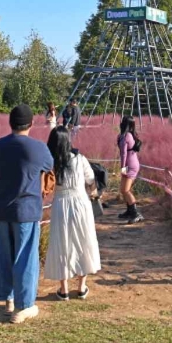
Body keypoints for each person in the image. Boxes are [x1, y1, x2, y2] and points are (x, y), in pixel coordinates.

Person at [0, 104, 54, 324]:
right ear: (31, 123)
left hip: (0, 208)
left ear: (10, 122)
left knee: (3, 256)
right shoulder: (38, 148)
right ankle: (24, 305)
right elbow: (49, 165)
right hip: (26, 209)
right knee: (25, 258)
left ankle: (7, 299)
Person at [44, 126, 101, 300]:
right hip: (81, 202)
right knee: (84, 240)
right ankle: (82, 287)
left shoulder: (50, 161)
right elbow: (91, 180)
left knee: (62, 243)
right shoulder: (80, 159)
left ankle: (64, 289)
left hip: (61, 203)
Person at [117, 116, 143, 224]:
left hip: (130, 166)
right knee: (123, 189)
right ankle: (129, 211)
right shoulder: (128, 135)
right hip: (132, 164)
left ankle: (135, 213)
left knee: (125, 190)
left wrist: (123, 169)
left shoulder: (125, 136)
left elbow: (123, 154)